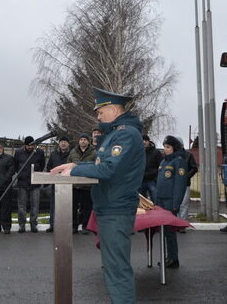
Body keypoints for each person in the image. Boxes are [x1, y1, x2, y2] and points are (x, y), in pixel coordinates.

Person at [51, 87, 145, 304]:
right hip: (109, 207)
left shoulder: (125, 134)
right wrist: (77, 164)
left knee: (117, 270)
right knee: (113, 267)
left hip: (116, 209)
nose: (97, 115)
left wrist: (75, 171)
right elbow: (101, 164)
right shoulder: (115, 134)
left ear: (113, 109)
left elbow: (108, 170)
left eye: (100, 111)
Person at [155, 135, 188, 269]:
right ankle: (167, 257)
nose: (165, 150)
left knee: (169, 231)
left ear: (175, 148)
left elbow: (179, 185)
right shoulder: (164, 162)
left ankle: (173, 258)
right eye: (164, 147)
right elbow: (159, 183)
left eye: (168, 147)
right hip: (161, 201)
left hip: (170, 202)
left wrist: (176, 204)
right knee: (163, 231)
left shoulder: (178, 162)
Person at [13, 136, 45, 233]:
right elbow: (15, 165)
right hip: (23, 183)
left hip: (35, 183)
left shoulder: (39, 152)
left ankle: (33, 224)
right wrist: (21, 175)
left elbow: (42, 165)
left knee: (35, 205)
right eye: (28, 146)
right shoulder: (18, 152)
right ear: (25, 145)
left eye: (32, 145)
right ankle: (22, 225)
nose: (30, 147)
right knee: (22, 205)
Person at [68, 133, 95, 234]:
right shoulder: (73, 152)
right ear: (78, 141)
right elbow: (68, 165)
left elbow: (95, 165)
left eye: (85, 139)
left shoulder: (94, 152)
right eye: (81, 139)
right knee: (73, 207)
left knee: (86, 208)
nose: (83, 141)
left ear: (88, 141)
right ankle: (74, 226)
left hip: (87, 185)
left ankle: (85, 226)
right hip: (74, 185)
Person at [46, 136, 72, 233]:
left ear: (68, 144)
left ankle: (66, 226)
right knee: (53, 205)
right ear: (59, 143)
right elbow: (49, 167)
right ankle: (52, 225)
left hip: (67, 184)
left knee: (66, 206)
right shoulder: (53, 154)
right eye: (62, 142)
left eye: (65, 142)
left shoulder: (71, 154)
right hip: (55, 184)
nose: (63, 144)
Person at [138, 135, 161, 200]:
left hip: (152, 180)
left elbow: (161, 166)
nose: (144, 142)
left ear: (149, 141)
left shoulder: (156, 153)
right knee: (142, 202)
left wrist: (156, 177)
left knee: (155, 200)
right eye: (142, 140)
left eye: (146, 140)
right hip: (140, 181)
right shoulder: (137, 153)